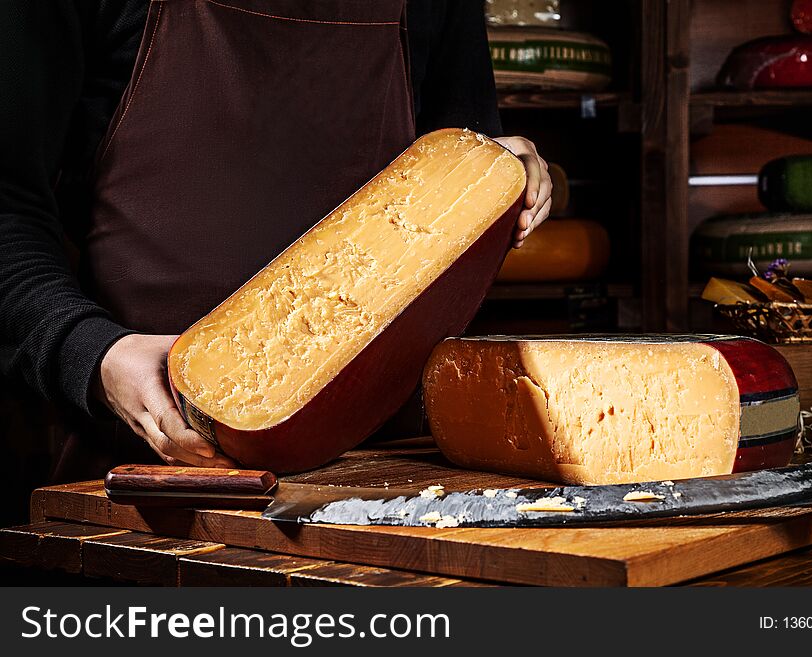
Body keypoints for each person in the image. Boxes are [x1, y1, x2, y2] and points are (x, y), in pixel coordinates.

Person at [0, 0, 552, 479]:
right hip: (150, 473)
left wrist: (518, 179)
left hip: (392, 471)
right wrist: (93, 353)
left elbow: (463, 210)